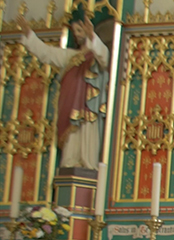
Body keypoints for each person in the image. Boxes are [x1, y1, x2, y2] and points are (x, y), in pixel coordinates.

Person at [16, 14, 109, 171]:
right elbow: (48, 53)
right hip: (71, 106)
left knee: (87, 139)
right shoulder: (70, 56)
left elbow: (104, 57)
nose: (77, 34)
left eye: (80, 29)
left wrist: (93, 36)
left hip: (89, 108)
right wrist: (29, 35)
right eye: (75, 31)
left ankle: (88, 165)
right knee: (71, 147)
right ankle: (70, 164)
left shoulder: (97, 54)